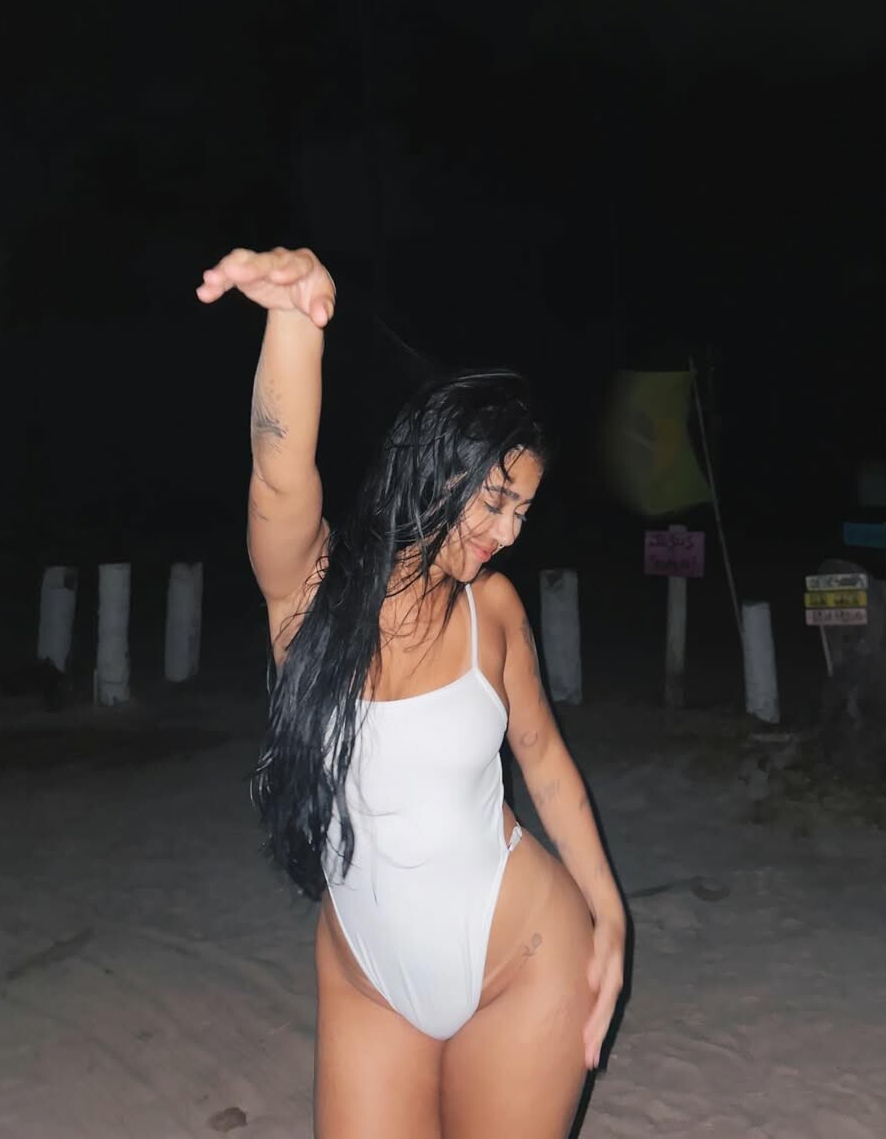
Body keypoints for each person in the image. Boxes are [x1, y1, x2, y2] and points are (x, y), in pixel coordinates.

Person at [197, 245, 626, 1139]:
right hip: (368, 979)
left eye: (523, 510)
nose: (507, 532)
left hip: (523, 962)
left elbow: (544, 761)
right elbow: (280, 474)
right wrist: (293, 321)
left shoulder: (491, 610)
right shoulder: (310, 595)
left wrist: (610, 911)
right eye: (495, 498)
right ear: (438, 464)